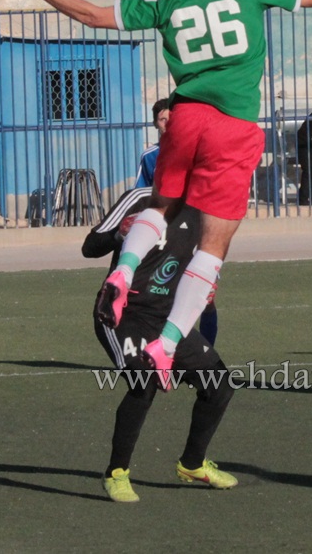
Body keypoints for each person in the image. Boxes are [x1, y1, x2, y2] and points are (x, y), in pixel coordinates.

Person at [3, 0, 312, 389]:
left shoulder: (163, 1)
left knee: (160, 206)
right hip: (233, 126)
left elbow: (92, 15)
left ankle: (122, 273)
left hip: (185, 117)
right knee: (211, 248)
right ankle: (166, 346)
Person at [83, 186, 233, 502]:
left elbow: (205, 265)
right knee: (144, 382)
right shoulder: (142, 198)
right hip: (124, 314)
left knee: (219, 383)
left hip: (169, 318)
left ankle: (192, 464)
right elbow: (90, 247)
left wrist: (208, 291)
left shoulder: (208, 209)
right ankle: (116, 473)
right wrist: (119, 234)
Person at [135, 98, 170, 189]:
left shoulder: (191, 150)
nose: (168, 123)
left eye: (172, 118)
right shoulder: (150, 156)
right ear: (155, 124)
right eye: (163, 119)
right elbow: (141, 190)